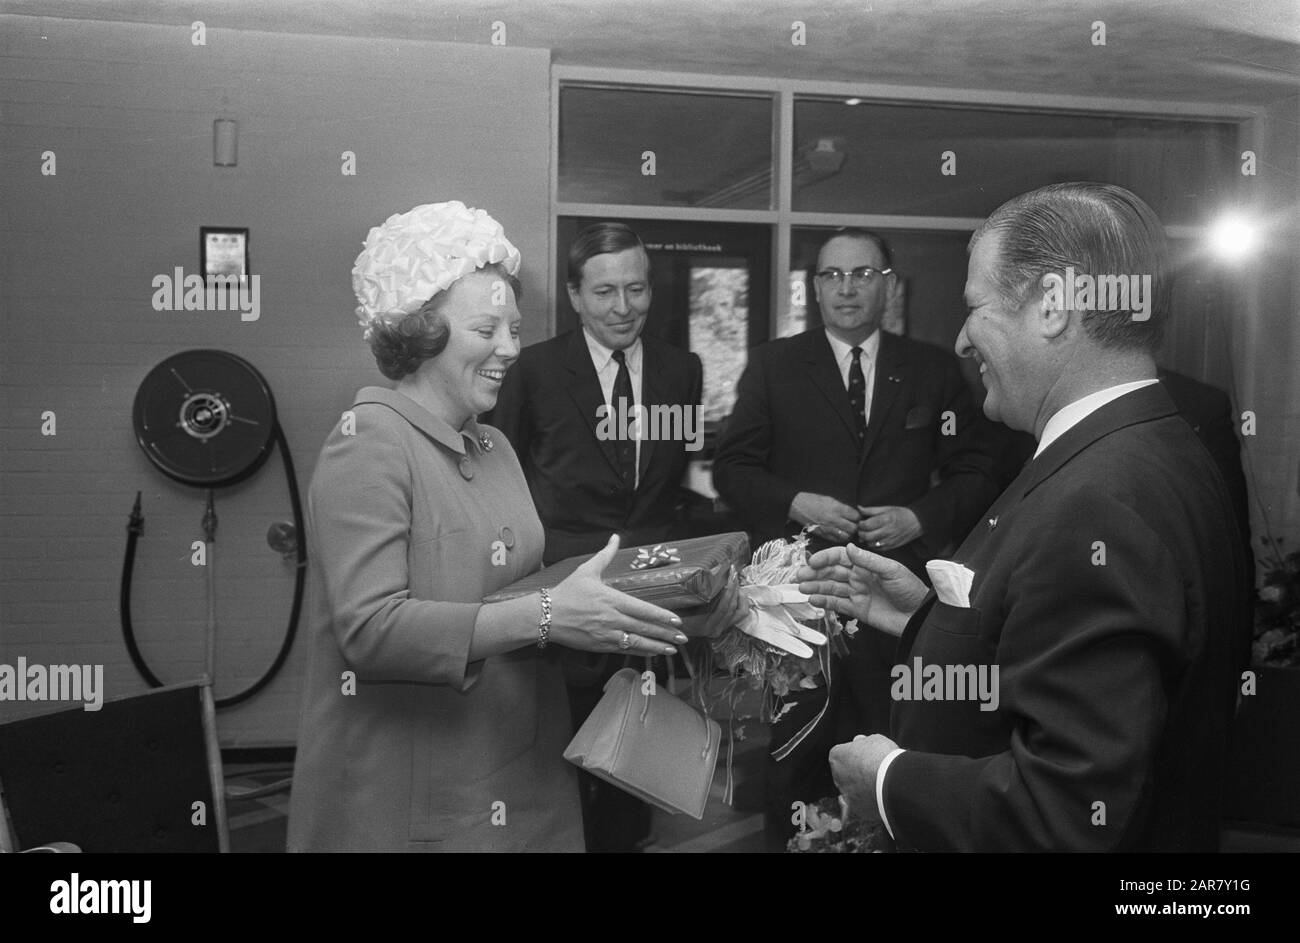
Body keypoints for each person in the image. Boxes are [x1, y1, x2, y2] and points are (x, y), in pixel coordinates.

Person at [798, 183, 1248, 851]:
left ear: (1054, 306)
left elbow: (1065, 814)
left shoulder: (1101, 499)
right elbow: (1065, 648)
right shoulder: (1153, 442)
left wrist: (888, 781)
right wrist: (927, 615)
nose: (960, 338)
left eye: (975, 307)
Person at [287, 202, 736, 852]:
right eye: (486, 328)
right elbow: (371, 630)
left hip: (522, 770)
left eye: (514, 328)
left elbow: (528, 598)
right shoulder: (369, 443)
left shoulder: (493, 446)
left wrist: (675, 611)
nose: (510, 348)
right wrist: (551, 614)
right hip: (417, 796)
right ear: (418, 328)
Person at [711, 228, 1001, 847]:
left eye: (862, 274)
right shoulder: (774, 365)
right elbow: (732, 470)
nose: (847, 287)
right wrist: (796, 501)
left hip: (898, 602)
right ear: (815, 288)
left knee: (892, 746)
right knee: (796, 751)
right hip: (802, 600)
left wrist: (919, 516)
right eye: (832, 275)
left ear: (887, 283)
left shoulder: (931, 369)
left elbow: (979, 468)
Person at [489, 222, 704, 852]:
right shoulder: (531, 370)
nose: (623, 307)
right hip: (558, 601)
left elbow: (673, 483)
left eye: (636, 289)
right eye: (605, 291)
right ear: (575, 296)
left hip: (649, 604)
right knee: (556, 762)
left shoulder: (681, 369)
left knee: (632, 765)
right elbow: (505, 478)